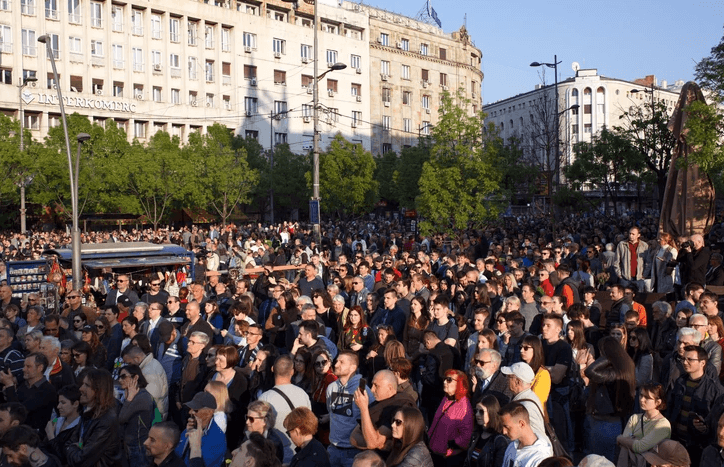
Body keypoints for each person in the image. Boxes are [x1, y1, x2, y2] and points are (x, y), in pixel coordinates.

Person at [46, 369, 122, 466]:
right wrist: (79, 446)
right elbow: (70, 444)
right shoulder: (87, 413)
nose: (81, 389)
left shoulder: (107, 421)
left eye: (87, 385)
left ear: (98, 390)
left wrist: (75, 447)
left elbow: (80, 459)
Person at [665, 345, 724, 467]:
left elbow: (716, 419)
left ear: (702, 363)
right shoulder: (680, 382)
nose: (685, 362)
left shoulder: (714, 389)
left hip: (697, 445)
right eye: (683, 359)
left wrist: (705, 427)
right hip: (676, 440)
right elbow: (671, 408)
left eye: (690, 359)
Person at [258, 354, 312, 465]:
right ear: (292, 372)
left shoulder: (265, 398)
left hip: (275, 455)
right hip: (299, 452)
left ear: (272, 369)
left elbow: (260, 429)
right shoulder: (303, 394)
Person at [350, 369, 416, 456]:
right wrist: (380, 446)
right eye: (372, 385)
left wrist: (363, 409)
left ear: (389, 388)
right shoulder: (376, 404)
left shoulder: (400, 405)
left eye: (376, 386)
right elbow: (353, 438)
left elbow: (372, 443)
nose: (372, 390)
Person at [326, 351, 367, 467]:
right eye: (337, 361)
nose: (336, 364)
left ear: (353, 367)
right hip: (333, 449)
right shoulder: (331, 388)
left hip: (353, 451)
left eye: (341, 362)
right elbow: (331, 411)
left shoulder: (363, 390)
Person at [616, 383, 671, 467]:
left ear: (658, 402)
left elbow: (640, 447)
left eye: (647, 398)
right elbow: (626, 444)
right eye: (641, 395)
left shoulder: (663, 424)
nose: (642, 400)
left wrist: (619, 438)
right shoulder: (634, 418)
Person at [0, 353, 57, 433]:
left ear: (40, 368)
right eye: (24, 366)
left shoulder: (47, 390)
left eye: (28, 366)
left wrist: (9, 386)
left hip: (32, 437)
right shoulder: (23, 386)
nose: (23, 369)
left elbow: (19, 413)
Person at [427, 369, 474, 467]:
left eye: (449, 380)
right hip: (434, 453)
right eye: (445, 379)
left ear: (459, 384)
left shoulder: (464, 406)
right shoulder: (446, 398)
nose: (444, 382)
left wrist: (451, 446)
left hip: (448, 459)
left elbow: (466, 436)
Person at [174, 392, 226, 467]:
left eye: (195, 410)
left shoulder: (217, 438)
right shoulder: (192, 426)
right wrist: (186, 437)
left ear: (209, 413)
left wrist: (194, 444)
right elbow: (177, 452)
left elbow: (199, 464)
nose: (190, 412)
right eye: (190, 409)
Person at [118, 364, 155, 467]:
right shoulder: (134, 394)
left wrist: (129, 399)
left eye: (123, 376)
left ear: (136, 377)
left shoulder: (142, 397)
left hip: (139, 448)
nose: (120, 380)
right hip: (131, 445)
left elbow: (121, 418)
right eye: (119, 377)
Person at [502, 362, 548, 442]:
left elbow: (536, 436)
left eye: (509, 377)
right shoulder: (526, 398)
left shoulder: (526, 406)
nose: (506, 379)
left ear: (518, 382)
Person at [500, 402, 553, 467]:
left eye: (507, 427)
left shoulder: (540, 458)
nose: (504, 431)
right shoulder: (512, 446)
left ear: (521, 424)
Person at [466, 395, 509, 467]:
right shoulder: (476, 435)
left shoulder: (500, 440)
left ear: (491, 412)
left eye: (481, 411)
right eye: (476, 411)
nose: (477, 414)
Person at [519, 335, 551, 414]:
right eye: (521, 347)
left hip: (535, 415)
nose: (521, 351)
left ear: (535, 350)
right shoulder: (520, 369)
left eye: (526, 348)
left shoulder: (543, 374)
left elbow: (536, 400)